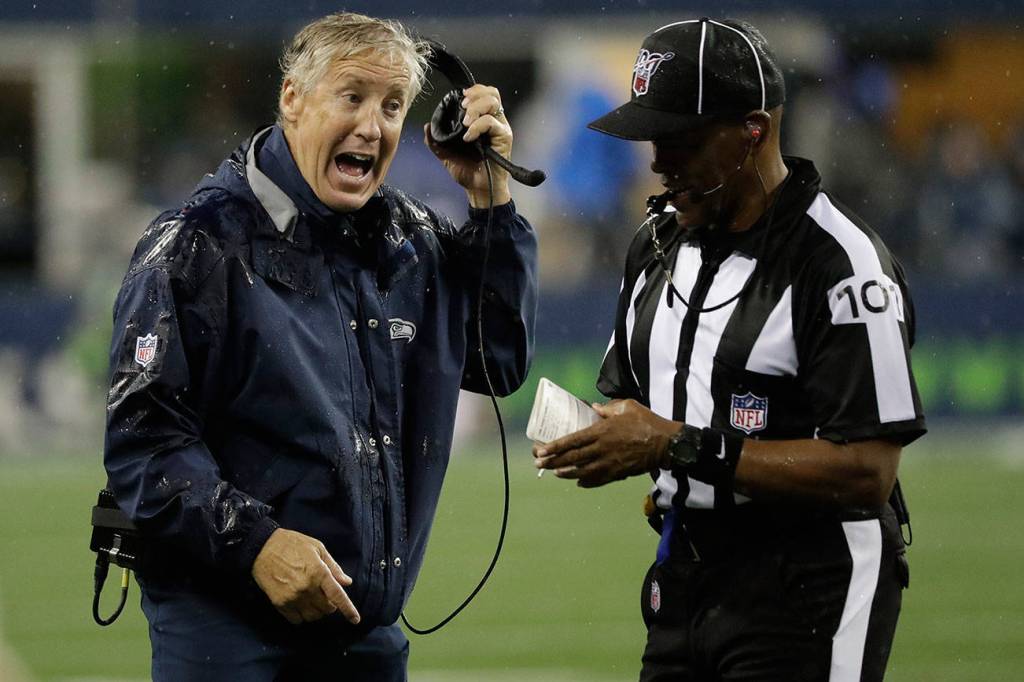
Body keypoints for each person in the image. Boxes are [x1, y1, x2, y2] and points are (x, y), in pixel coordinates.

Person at [103, 12, 537, 681]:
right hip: (225, 628)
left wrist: (490, 201)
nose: (372, 125)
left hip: (362, 629)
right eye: (352, 96)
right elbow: (145, 441)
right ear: (292, 99)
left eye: (392, 105)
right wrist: (256, 544)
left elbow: (496, 359)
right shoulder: (198, 242)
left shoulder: (406, 239)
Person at [535, 18, 925, 682]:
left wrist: (675, 448)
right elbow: (647, 408)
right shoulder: (655, 244)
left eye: (681, 141)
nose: (658, 162)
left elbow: (867, 471)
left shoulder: (840, 264)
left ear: (753, 130)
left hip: (809, 583)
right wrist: (610, 443)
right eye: (652, 139)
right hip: (684, 575)